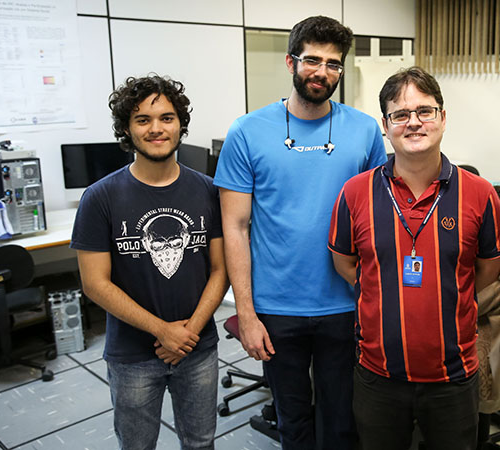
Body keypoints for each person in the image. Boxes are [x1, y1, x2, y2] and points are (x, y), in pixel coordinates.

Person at [214, 16, 387, 450]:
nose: (322, 72)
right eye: (313, 60)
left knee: (342, 421)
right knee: (293, 421)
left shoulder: (364, 130)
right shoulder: (248, 131)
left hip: (344, 305)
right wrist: (247, 315)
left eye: (334, 64)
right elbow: (234, 228)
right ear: (292, 61)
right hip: (276, 308)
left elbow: (376, 221)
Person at [329, 66, 500, 450]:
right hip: (377, 375)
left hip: (453, 377)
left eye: (425, 111)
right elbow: (345, 264)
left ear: (443, 118)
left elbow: (488, 270)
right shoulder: (355, 193)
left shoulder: (479, 194)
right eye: (401, 114)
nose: (414, 122)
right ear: (385, 124)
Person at [72, 75, 227, 450]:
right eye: (143, 119)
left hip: (197, 349)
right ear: (127, 129)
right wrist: (163, 330)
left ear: (180, 125)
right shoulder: (100, 197)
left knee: (201, 442)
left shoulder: (209, 190)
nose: (156, 128)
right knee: (137, 445)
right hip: (132, 357)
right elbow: (95, 283)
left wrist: (187, 334)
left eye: (167, 118)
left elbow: (221, 270)